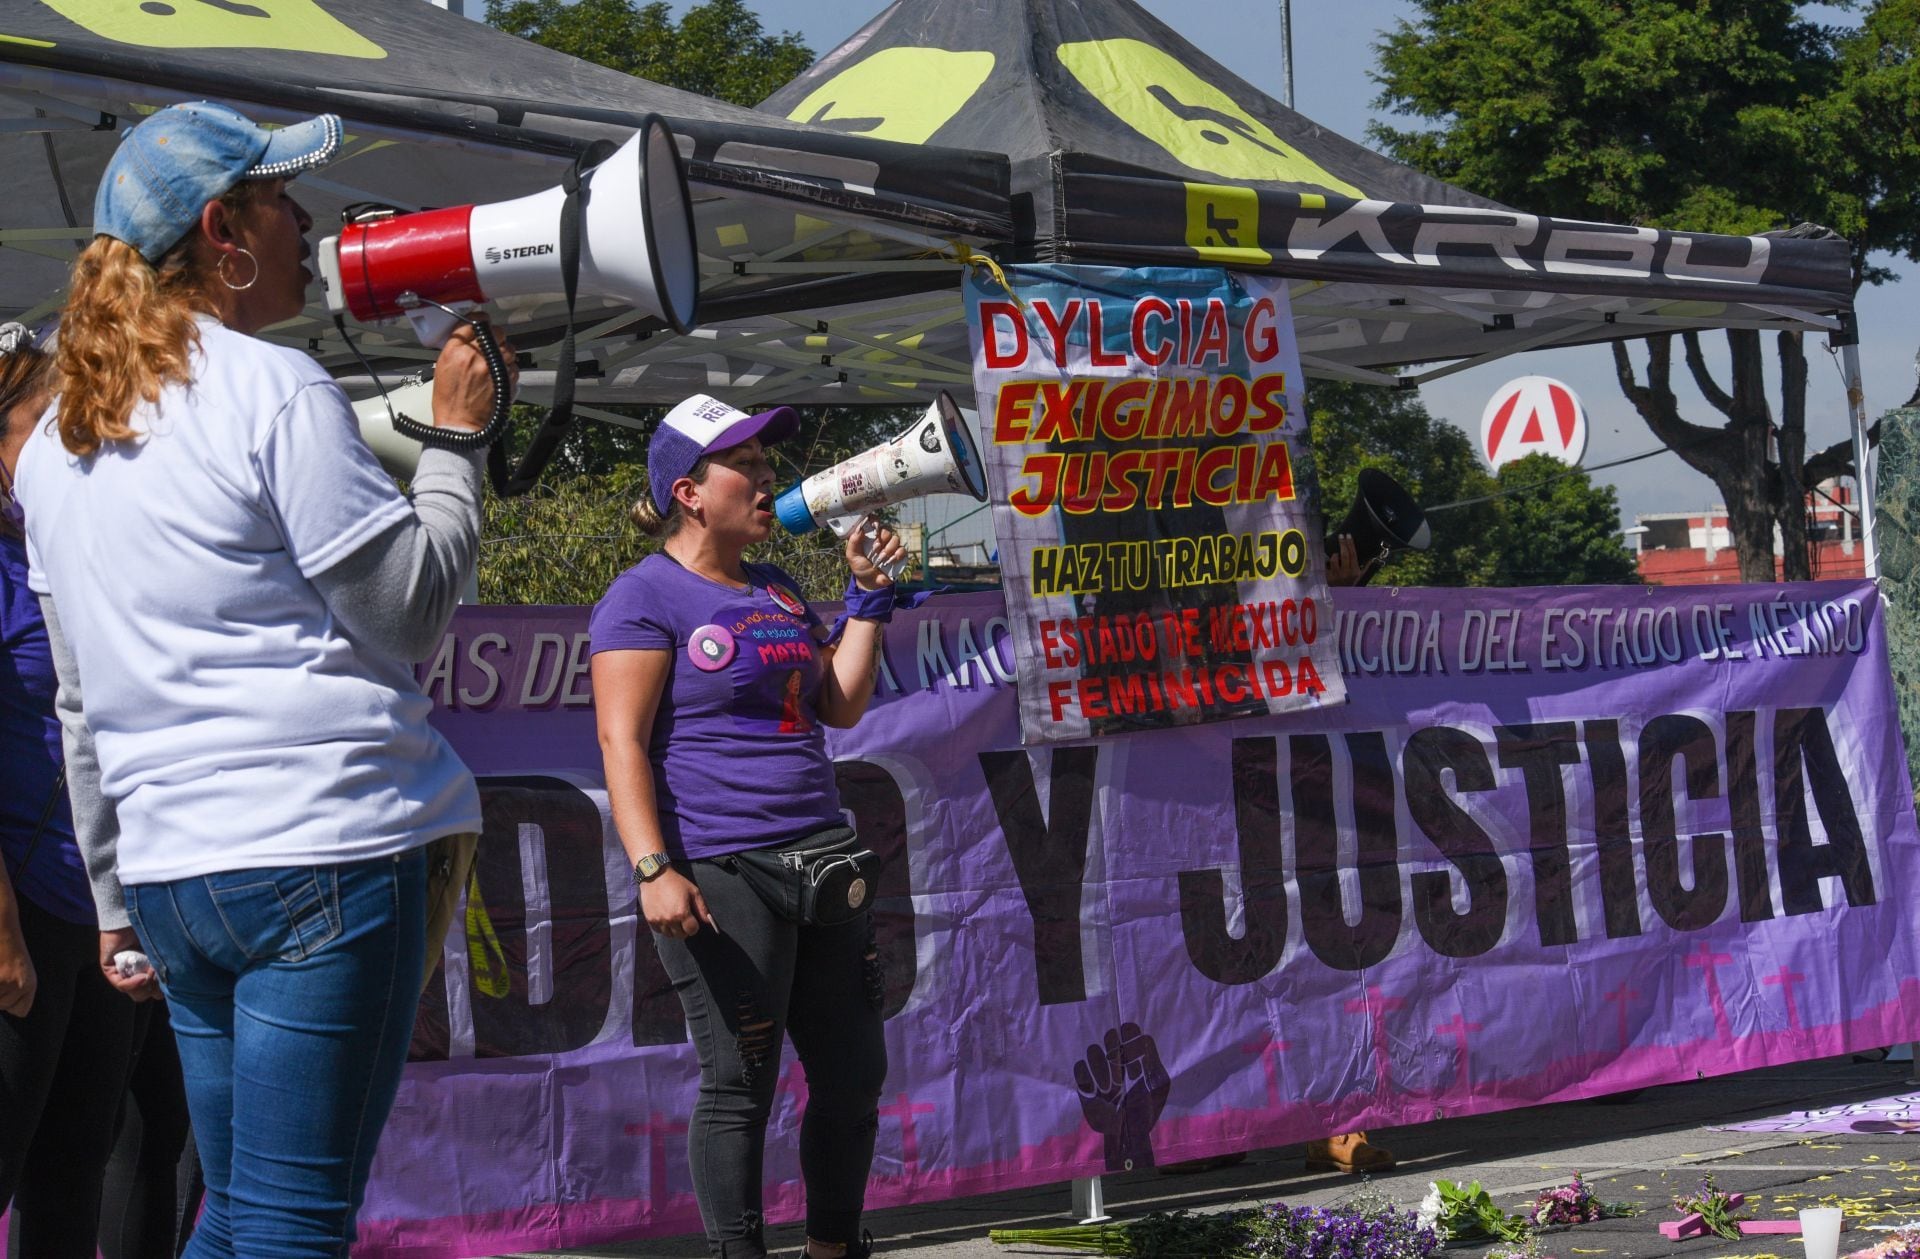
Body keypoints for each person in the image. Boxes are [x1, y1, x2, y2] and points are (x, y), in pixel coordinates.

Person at [14, 101, 512, 1257]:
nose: (310, 221)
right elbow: (409, 611)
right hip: (321, 849)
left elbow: (81, 702)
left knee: (238, 1211)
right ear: (222, 228)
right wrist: (455, 442)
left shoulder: (55, 447)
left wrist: (112, 901)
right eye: (285, 198)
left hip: (178, 871)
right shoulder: (272, 387)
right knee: (284, 1223)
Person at [591, 394, 903, 1259]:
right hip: (721, 869)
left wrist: (867, 601)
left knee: (852, 1076)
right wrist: (654, 866)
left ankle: (834, 1249)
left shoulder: (777, 587)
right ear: (690, 492)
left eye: (770, 466)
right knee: (741, 1084)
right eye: (750, 468)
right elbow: (620, 739)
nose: (770, 481)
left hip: (819, 855)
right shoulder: (642, 597)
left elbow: (838, 706)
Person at [0, 319, 157, 1259]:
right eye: (42, 421)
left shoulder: (67, 547)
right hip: (17, 917)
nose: (71, 440)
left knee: (74, 1171)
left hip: (98, 909)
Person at [1303, 532, 1397, 1177]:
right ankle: (1209, 1129)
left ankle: (1339, 1124)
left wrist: (1346, 592)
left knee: (1340, 961)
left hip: (1313, 796)